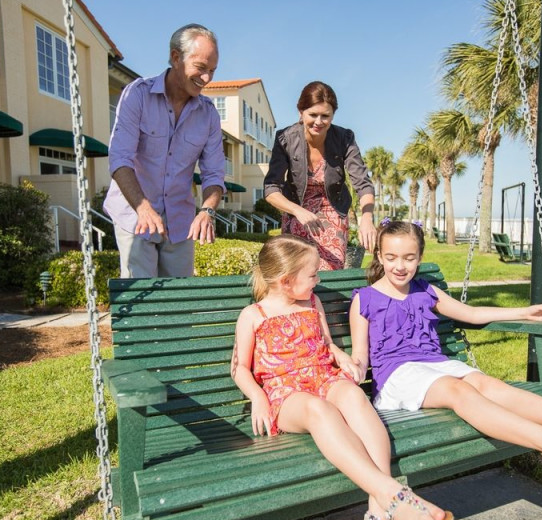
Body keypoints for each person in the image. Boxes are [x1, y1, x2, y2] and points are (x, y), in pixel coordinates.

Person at [349, 220, 542, 486]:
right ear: (379, 256)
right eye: (391, 258)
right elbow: (361, 355)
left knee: (487, 384)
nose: (400, 266)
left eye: (409, 258)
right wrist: (354, 369)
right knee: (458, 390)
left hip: (435, 366)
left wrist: (526, 312)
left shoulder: (425, 290)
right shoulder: (365, 298)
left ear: (420, 258)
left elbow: (472, 313)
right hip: (397, 378)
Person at [231, 235, 452, 520]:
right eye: (312, 274)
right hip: (284, 395)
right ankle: (393, 494)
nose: (317, 279)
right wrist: (258, 397)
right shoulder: (253, 315)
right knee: (318, 409)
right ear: (286, 281)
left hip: (323, 377)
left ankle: (378, 505)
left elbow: (325, 342)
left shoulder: (312, 302)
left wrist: (341, 356)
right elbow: (239, 368)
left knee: (352, 394)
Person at [104, 23, 226, 278]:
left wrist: (207, 210)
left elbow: (214, 175)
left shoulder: (208, 114)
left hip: (180, 223)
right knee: (142, 307)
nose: (206, 79)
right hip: (135, 216)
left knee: (179, 306)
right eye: (200, 68)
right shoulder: (137, 95)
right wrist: (143, 208)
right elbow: (119, 159)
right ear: (175, 57)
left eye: (212, 71)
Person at [263, 81, 376, 271]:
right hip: (297, 210)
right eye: (312, 114)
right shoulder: (285, 139)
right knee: (297, 273)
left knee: (329, 272)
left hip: (332, 211)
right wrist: (297, 211)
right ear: (301, 112)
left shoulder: (344, 138)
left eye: (325, 116)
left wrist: (367, 217)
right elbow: (271, 188)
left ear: (333, 115)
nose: (318, 122)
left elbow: (363, 183)